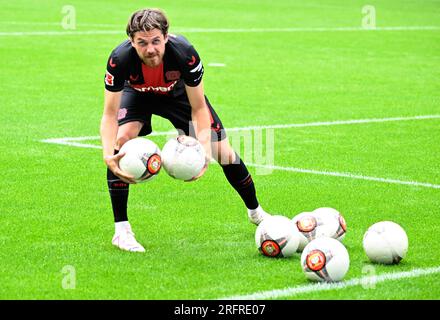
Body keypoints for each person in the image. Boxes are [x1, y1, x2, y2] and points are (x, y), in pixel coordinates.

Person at [100, 8, 271, 253]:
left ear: (166, 37)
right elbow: (109, 115)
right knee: (121, 143)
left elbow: (199, 106)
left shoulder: (185, 55)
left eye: (156, 41)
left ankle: (256, 213)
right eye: (142, 43)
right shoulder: (119, 59)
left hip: (176, 93)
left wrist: (204, 150)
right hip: (136, 94)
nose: (150, 49)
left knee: (223, 152)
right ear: (131, 42)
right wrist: (108, 154)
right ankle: (122, 231)